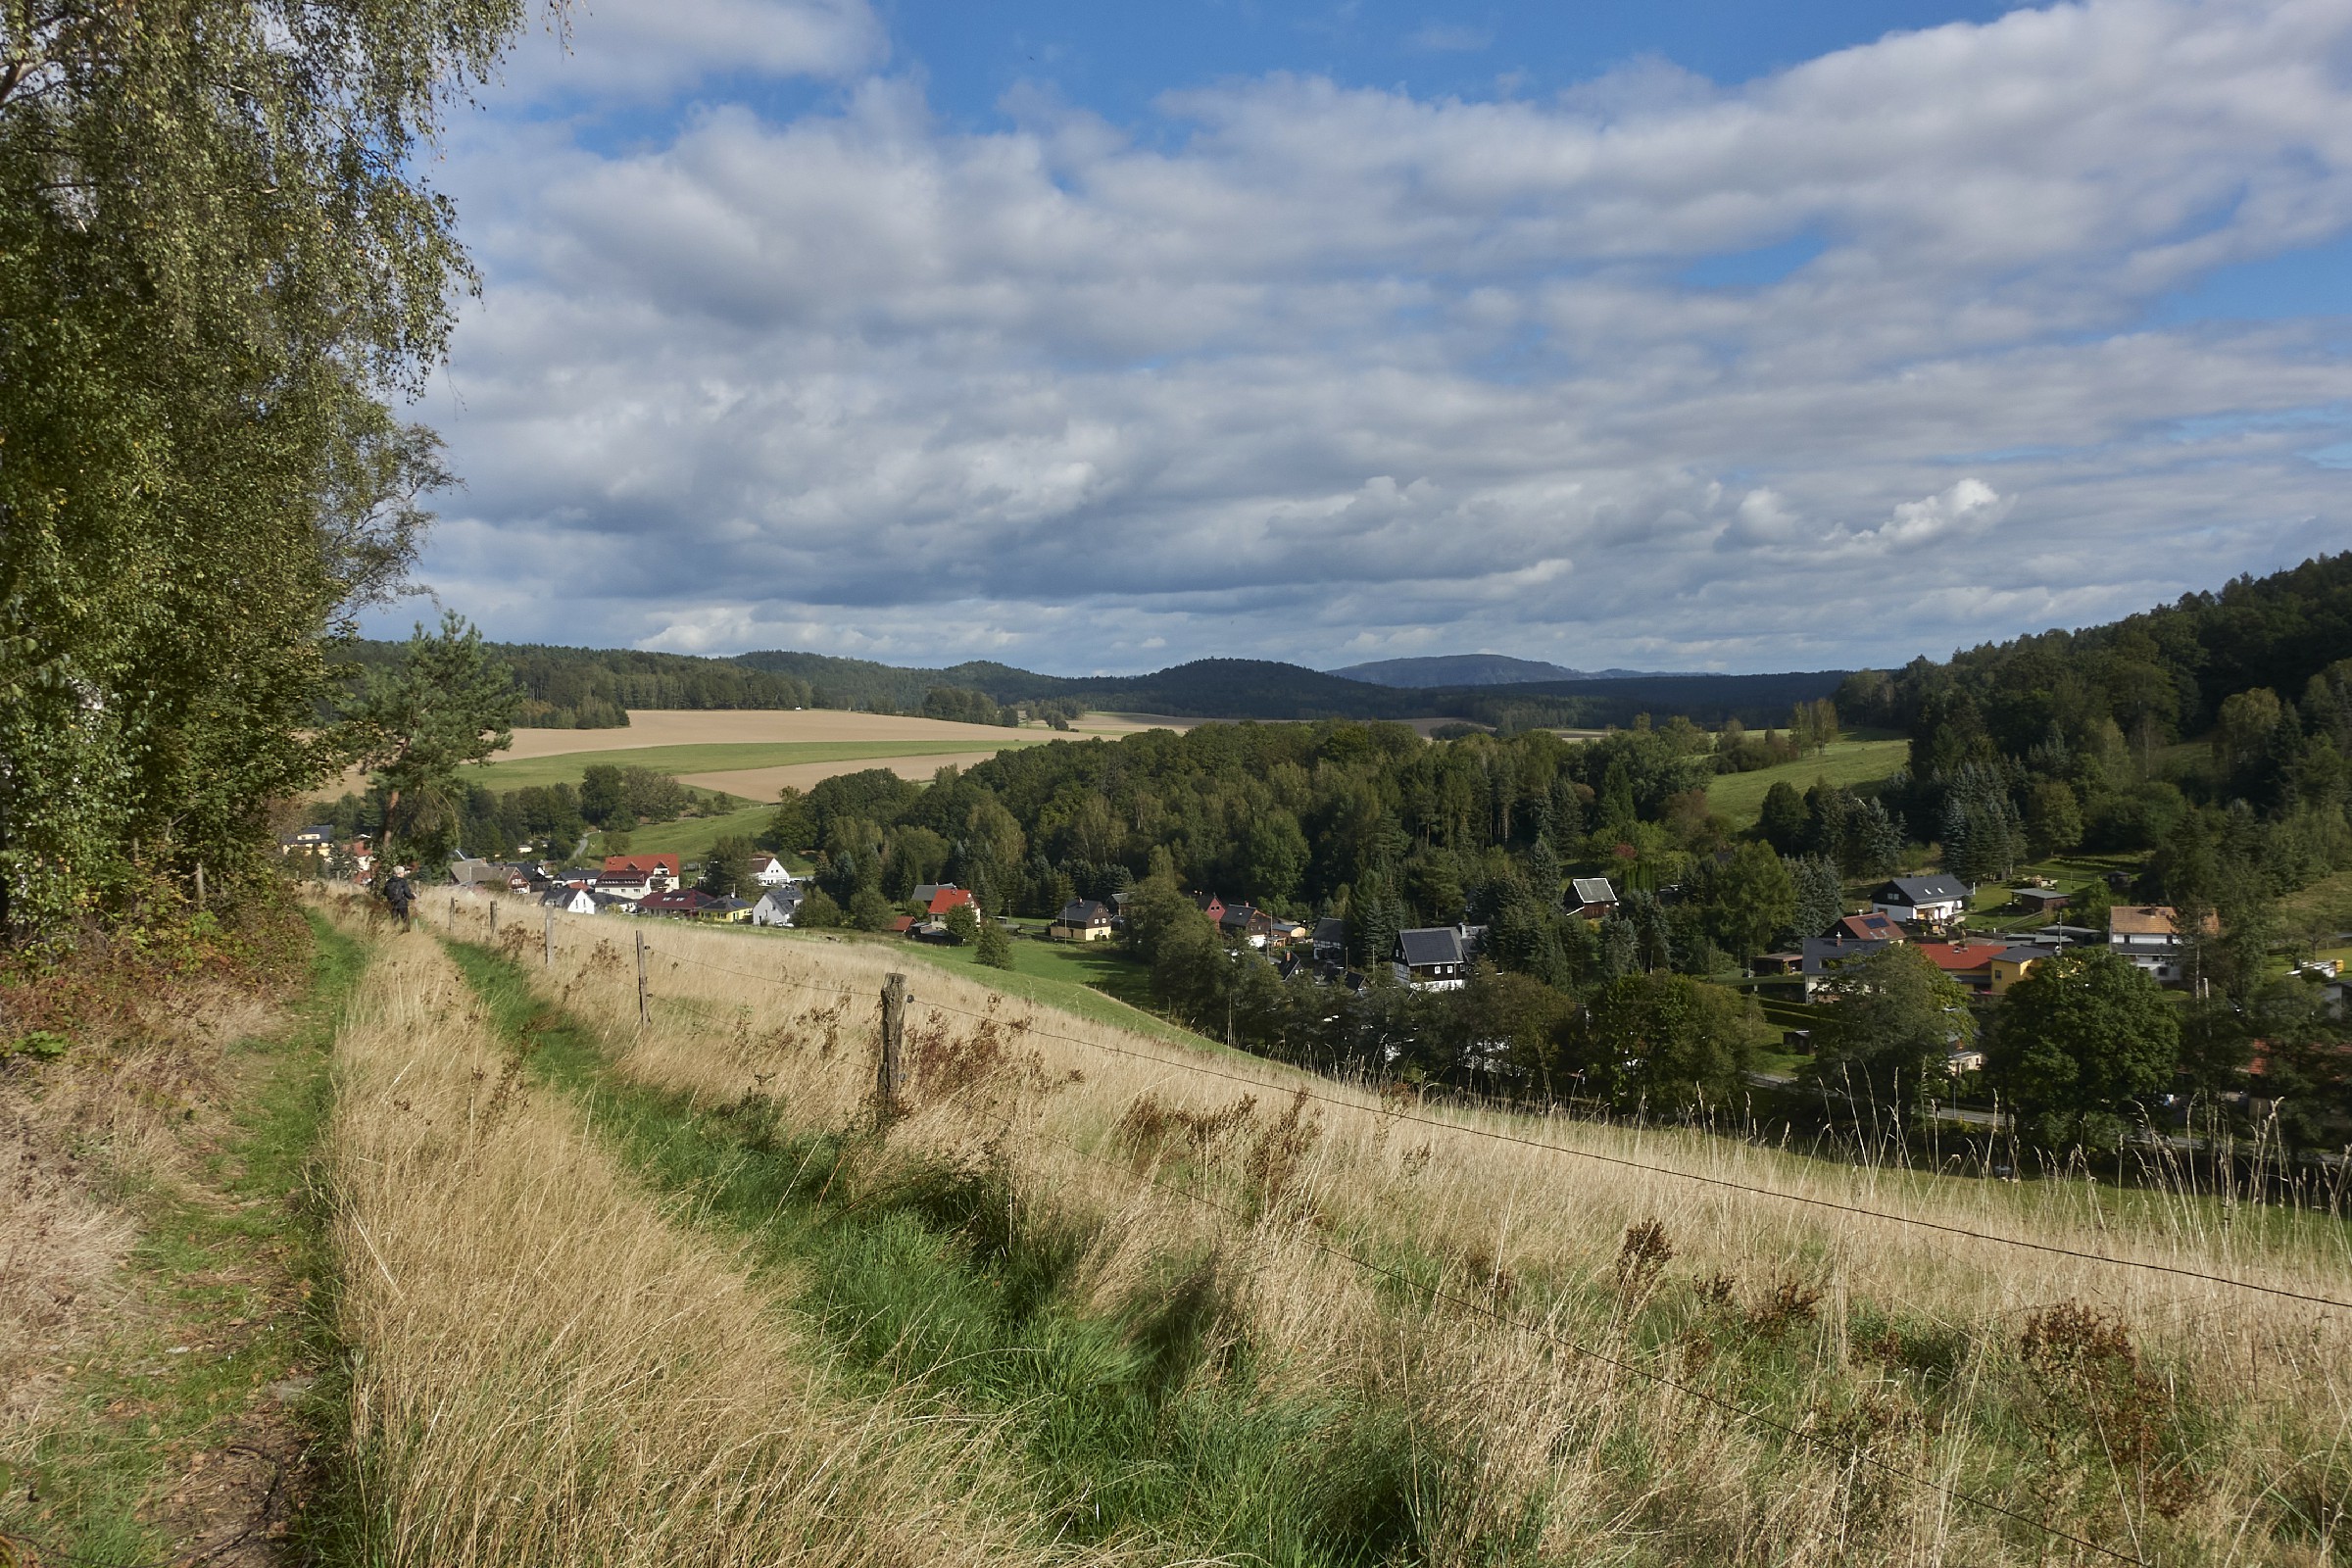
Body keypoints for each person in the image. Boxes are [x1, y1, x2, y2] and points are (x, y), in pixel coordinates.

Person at [381, 867, 415, 932]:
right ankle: (406, 933)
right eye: (403, 872)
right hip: (402, 903)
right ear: (399, 873)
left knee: (394, 920)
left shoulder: (389, 881)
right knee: (405, 920)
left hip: (392, 903)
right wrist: (413, 896)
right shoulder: (402, 881)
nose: (404, 874)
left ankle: (393, 933)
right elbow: (407, 893)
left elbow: (384, 893)